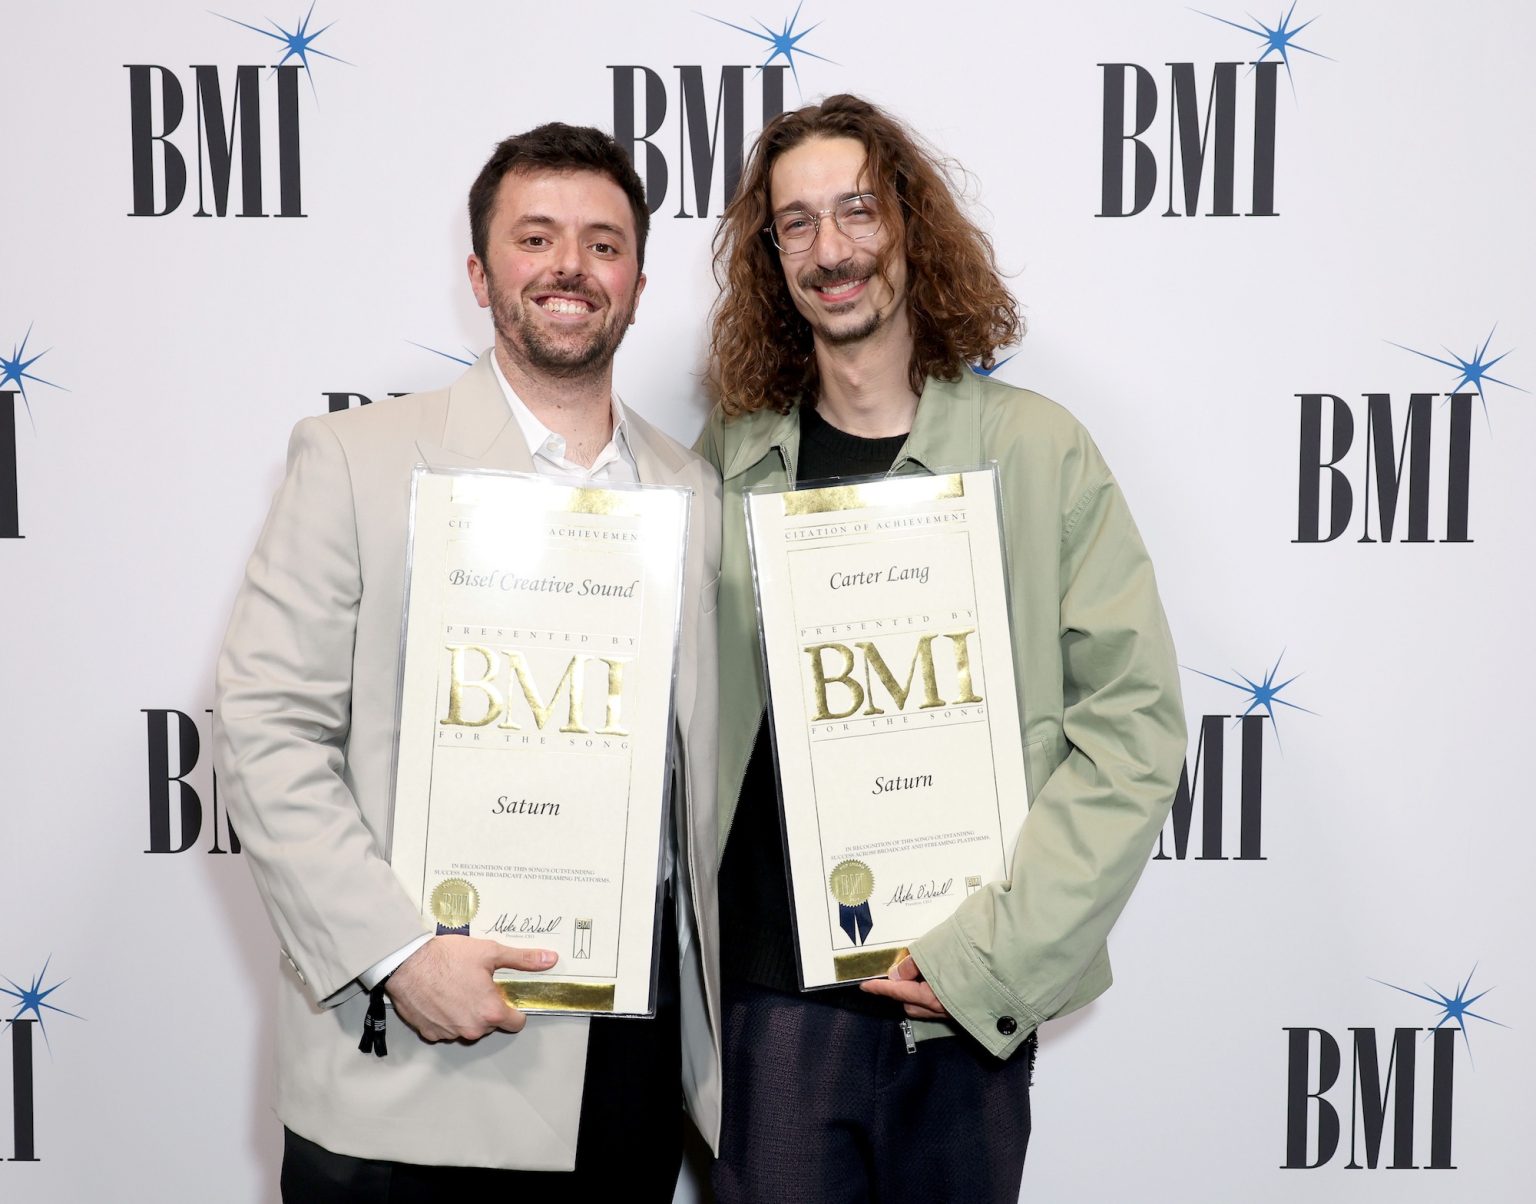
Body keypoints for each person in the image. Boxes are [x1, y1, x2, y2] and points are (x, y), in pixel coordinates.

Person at [214, 123, 722, 1200]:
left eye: (602, 243)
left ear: (636, 280)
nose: (569, 268)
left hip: (624, 1076)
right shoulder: (355, 460)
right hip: (413, 1073)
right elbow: (265, 728)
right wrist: (398, 952)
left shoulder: (698, 495)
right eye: (535, 238)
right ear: (481, 272)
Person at [697, 94, 1186, 1202]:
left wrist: (993, 960)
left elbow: (1134, 733)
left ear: (910, 224)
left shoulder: (1041, 452)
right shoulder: (728, 461)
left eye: (857, 210)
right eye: (797, 224)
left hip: (959, 1015)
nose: (833, 250)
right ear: (772, 258)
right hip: (776, 1012)